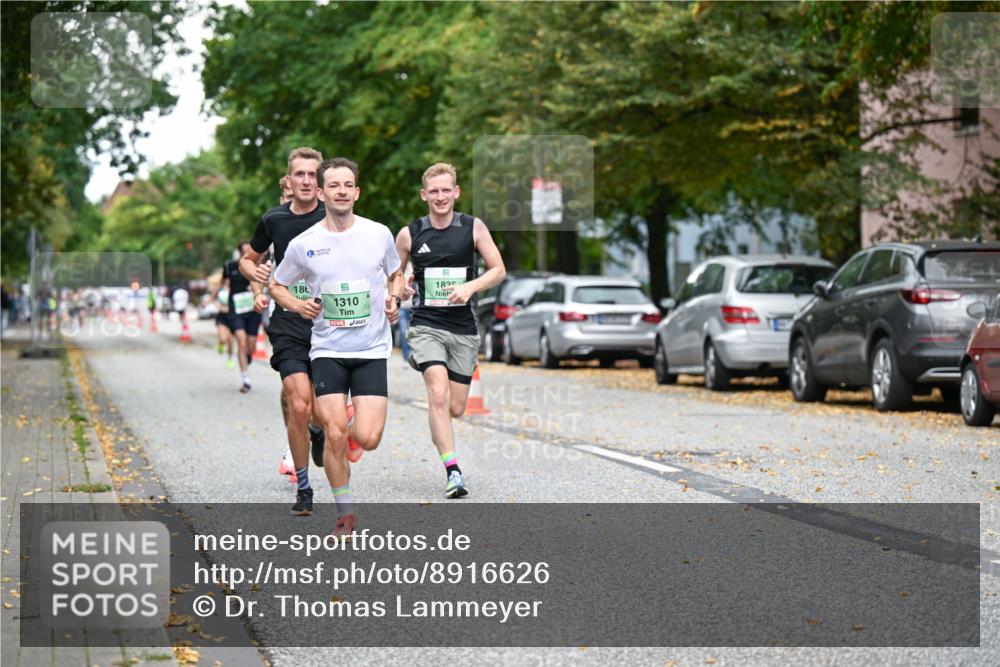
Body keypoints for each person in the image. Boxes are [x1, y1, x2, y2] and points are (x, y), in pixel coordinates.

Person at [271, 157, 403, 535]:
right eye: (334, 185)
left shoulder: (378, 234)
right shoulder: (305, 243)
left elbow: (396, 272)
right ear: (323, 191)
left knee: (368, 438)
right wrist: (298, 305)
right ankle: (345, 512)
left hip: (371, 349)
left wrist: (394, 297)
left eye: (348, 185)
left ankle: (349, 421)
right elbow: (277, 285)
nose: (341, 191)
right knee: (334, 435)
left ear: (356, 192)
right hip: (327, 349)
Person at [395, 162, 506, 498]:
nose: (440, 197)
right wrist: (400, 286)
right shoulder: (409, 233)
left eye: (446, 190)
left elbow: (499, 269)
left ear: (456, 192)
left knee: (457, 406)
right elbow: (392, 274)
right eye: (434, 191)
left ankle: (448, 449)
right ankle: (453, 470)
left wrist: (471, 287)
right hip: (426, 324)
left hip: (463, 327)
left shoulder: (473, 227)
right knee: (438, 395)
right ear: (424, 194)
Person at [239, 148, 328, 493]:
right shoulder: (273, 219)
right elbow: (250, 259)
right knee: (298, 400)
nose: (306, 181)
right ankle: (303, 482)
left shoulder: (333, 214)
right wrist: (256, 273)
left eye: (312, 175)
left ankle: (318, 431)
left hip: (327, 321)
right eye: (300, 175)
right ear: (289, 180)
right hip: (288, 318)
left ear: (320, 181)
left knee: (320, 411)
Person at [223, 241, 262, 393]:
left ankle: (248, 356)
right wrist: (217, 298)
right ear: (240, 252)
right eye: (244, 250)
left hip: (252, 310)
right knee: (241, 340)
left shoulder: (257, 266)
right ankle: (246, 379)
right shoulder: (231, 266)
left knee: (250, 346)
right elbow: (223, 282)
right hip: (236, 310)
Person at [210, 273, 234, 368]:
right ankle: (221, 344)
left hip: (232, 316)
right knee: (223, 338)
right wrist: (218, 306)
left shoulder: (235, 288)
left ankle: (230, 359)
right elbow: (212, 299)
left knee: (230, 340)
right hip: (222, 316)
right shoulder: (219, 288)